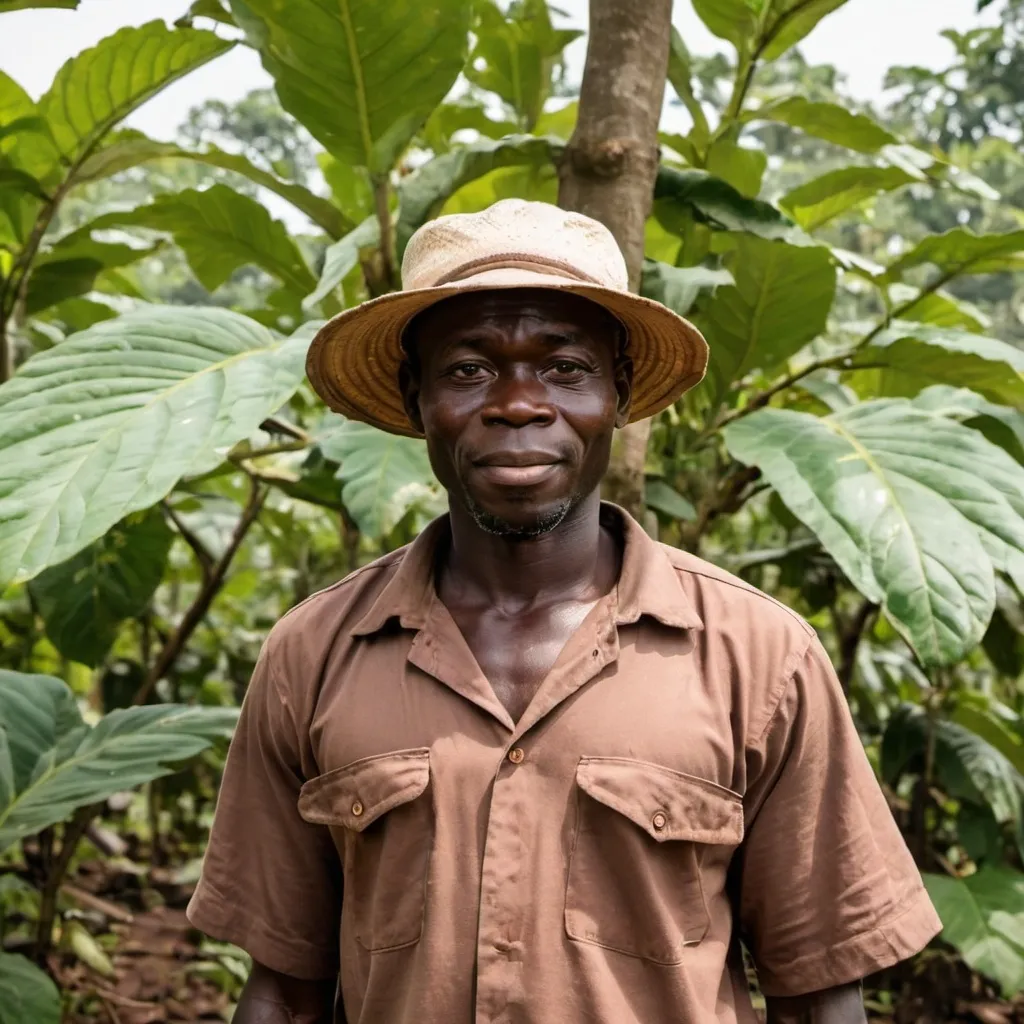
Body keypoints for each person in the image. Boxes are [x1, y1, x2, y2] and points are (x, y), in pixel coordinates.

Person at [187, 199, 941, 1024]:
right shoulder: (313, 655)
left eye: (566, 368)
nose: (519, 403)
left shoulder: (759, 657)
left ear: (617, 393)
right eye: (468, 369)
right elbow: (285, 994)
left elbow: (819, 997)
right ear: (415, 398)